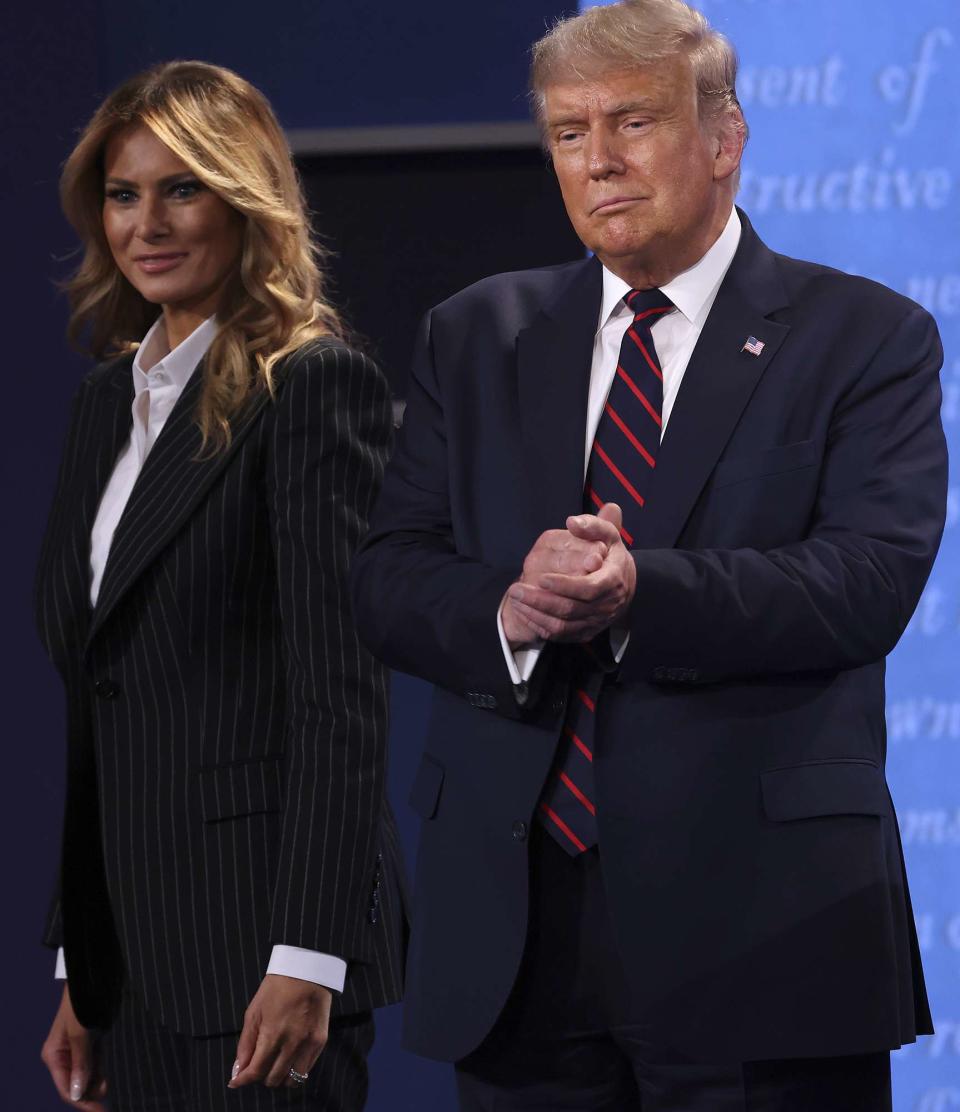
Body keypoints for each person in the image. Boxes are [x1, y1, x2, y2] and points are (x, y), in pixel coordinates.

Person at [350, 1, 948, 1108]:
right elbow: (390, 575)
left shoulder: (865, 335)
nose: (599, 160)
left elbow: (867, 583)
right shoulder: (475, 332)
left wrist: (638, 588)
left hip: (762, 936)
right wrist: (511, 609)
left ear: (726, 138)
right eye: (569, 133)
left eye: (632, 121)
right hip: (518, 938)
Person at [35, 61, 406, 1112]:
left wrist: (312, 952)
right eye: (122, 193)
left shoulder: (314, 385)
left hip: (261, 950)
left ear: (245, 200)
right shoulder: (107, 405)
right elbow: (98, 708)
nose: (147, 222)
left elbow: (341, 695)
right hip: (133, 967)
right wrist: (80, 964)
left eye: (182, 187)